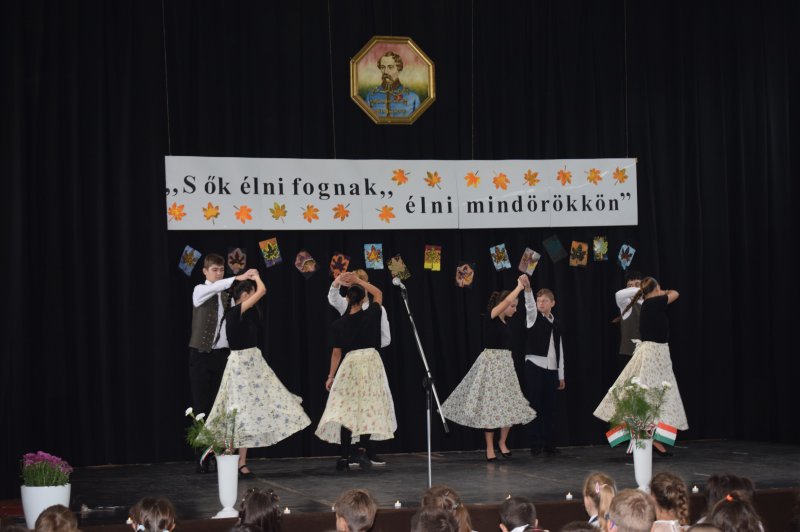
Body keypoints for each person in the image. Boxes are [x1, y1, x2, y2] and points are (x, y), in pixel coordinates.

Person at [205, 273, 311, 477]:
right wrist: (257, 277)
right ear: (245, 295)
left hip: (253, 364)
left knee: (248, 414)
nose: (256, 297)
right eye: (252, 294)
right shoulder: (235, 312)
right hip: (241, 367)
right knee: (237, 414)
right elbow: (263, 290)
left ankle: (241, 462)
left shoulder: (246, 315)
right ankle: (228, 457)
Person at [441, 275, 536, 461]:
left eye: (515, 306)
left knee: (509, 405)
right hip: (491, 366)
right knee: (490, 408)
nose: (515, 309)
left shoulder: (507, 323)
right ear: (503, 304)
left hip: (505, 366)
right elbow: (506, 301)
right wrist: (518, 287)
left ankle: (502, 442)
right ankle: (490, 447)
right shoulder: (491, 315)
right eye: (513, 306)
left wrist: (526, 288)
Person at [593, 277, 687, 456]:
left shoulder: (648, 304)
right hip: (654, 354)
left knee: (655, 396)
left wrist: (652, 290)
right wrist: (661, 291)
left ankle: (650, 437)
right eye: (659, 287)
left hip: (657, 353)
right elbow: (676, 293)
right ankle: (646, 437)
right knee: (652, 395)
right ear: (655, 289)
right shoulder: (654, 302)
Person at [316, 278, 396, 471]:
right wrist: (358, 280)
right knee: (368, 407)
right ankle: (361, 450)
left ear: (348, 299)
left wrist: (331, 376)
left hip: (350, 365)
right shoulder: (372, 315)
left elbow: (336, 353)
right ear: (363, 299)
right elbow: (379, 293)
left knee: (347, 410)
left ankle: (345, 456)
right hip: (370, 364)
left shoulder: (339, 324)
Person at [189, 253, 256, 472]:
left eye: (221, 270)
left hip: (221, 356)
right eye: (214, 270)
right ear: (205, 271)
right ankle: (202, 456)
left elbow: (228, 326)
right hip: (200, 355)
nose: (218, 273)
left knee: (220, 406)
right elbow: (211, 290)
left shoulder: (226, 295)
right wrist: (235, 278)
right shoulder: (200, 290)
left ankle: (219, 454)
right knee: (201, 407)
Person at [523, 282, 566, 456]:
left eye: (544, 300)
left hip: (551, 369)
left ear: (552, 303)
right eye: (538, 300)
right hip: (535, 365)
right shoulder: (533, 317)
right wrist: (527, 290)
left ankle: (549, 444)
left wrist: (561, 374)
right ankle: (535, 444)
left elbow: (559, 349)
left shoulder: (556, 323)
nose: (540, 303)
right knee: (535, 405)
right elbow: (529, 305)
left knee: (550, 408)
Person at [328, 270, 391, 348]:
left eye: (360, 285)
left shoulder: (379, 308)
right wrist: (336, 282)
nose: (357, 290)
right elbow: (333, 299)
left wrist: (369, 347)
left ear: (367, 285)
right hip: (350, 353)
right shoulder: (346, 304)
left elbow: (386, 338)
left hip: (371, 353)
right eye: (354, 286)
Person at [364, 51, 421, 118]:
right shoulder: (371, 96)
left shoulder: (413, 97)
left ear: (399, 69)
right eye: (382, 67)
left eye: (390, 67)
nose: (386, 71)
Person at [613, 271, 643, 374]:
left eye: (637, 284)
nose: (632, 289)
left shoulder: (650, 303)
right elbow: (618, 295)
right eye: (629, 286)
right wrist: (642, 288)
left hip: (647, 355)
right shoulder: (626, 304)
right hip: (629, 356)